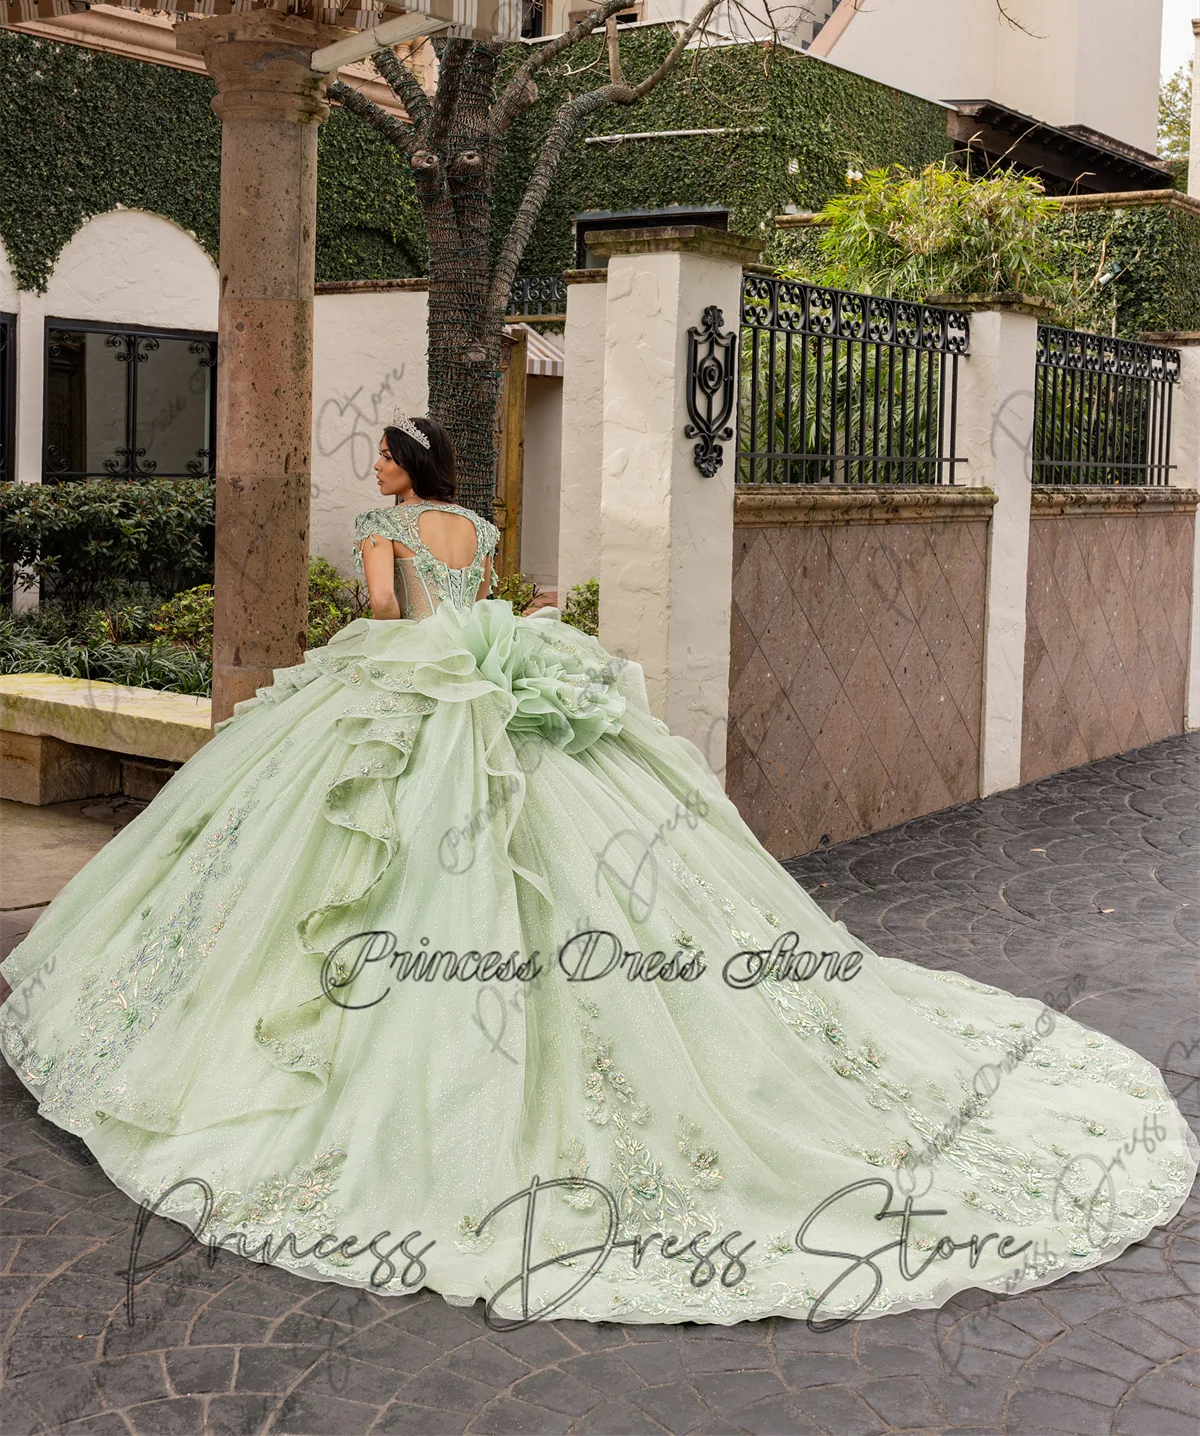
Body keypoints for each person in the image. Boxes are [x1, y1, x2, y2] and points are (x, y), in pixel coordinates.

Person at [2, 415, 1195, 1330]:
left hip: (408, 701)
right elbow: (491, 608)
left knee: (346, 883)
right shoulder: (481, 532)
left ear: (408, 470)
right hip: (497, 697)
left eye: (380, 457)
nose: (373, 472)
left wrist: (358, 643)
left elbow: (385, 614)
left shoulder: (388, 532)